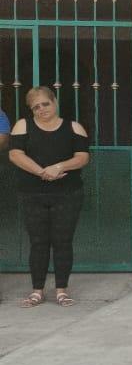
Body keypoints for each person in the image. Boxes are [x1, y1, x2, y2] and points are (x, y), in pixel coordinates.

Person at [9, 87, 91, 308]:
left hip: (68, 194)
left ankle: (61, 291)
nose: (41, 109)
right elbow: (15, 154)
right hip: (32, 194)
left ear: (54, 102)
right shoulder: (23, 125)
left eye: (45, 103)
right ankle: (37, 291)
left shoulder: (73, 127)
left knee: (63, 241)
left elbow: (83, 157)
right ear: (31, 110)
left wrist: (59, 166)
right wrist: (41, 172)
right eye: (36, 107)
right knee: (38, 242)